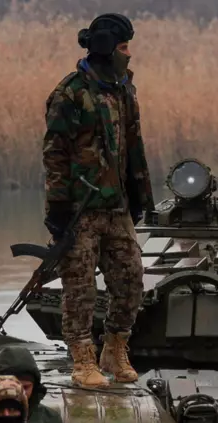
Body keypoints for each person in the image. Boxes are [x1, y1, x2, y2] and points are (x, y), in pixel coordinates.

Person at [43, 11, 155, 390]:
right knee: (80, 288)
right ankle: (82, 359)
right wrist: (57, 209)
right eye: (125, 47)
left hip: (117, 206)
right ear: (107, 48)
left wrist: (141, 196)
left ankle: (114, 348)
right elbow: (55, 154)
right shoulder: (71, 93)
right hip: (80, 209)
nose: (129, 55)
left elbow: (133, 146)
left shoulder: (124, 90)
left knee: (131, 279)